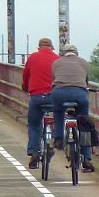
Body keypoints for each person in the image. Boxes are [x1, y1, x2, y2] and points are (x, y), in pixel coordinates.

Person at [51, 44, 95, 172]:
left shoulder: (56, 63)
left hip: (59, 93)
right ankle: (87, 158)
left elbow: (54, 79)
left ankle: (58, 138)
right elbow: (86, 81)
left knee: (58, 111)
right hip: (79, 94)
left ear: (63, 53)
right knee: (84, 123)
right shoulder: (84, 63)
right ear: (76, 53)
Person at [22, 37, 59, 168]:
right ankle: (56, 140)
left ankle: (34, 152)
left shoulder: (32, 57)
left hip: (37, 96)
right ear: (51, 47)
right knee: (59, 118)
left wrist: (26, 87)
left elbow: (26, 76)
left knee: (34, 125)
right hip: (54, 96)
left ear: (39, 47)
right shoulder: (57, 58)